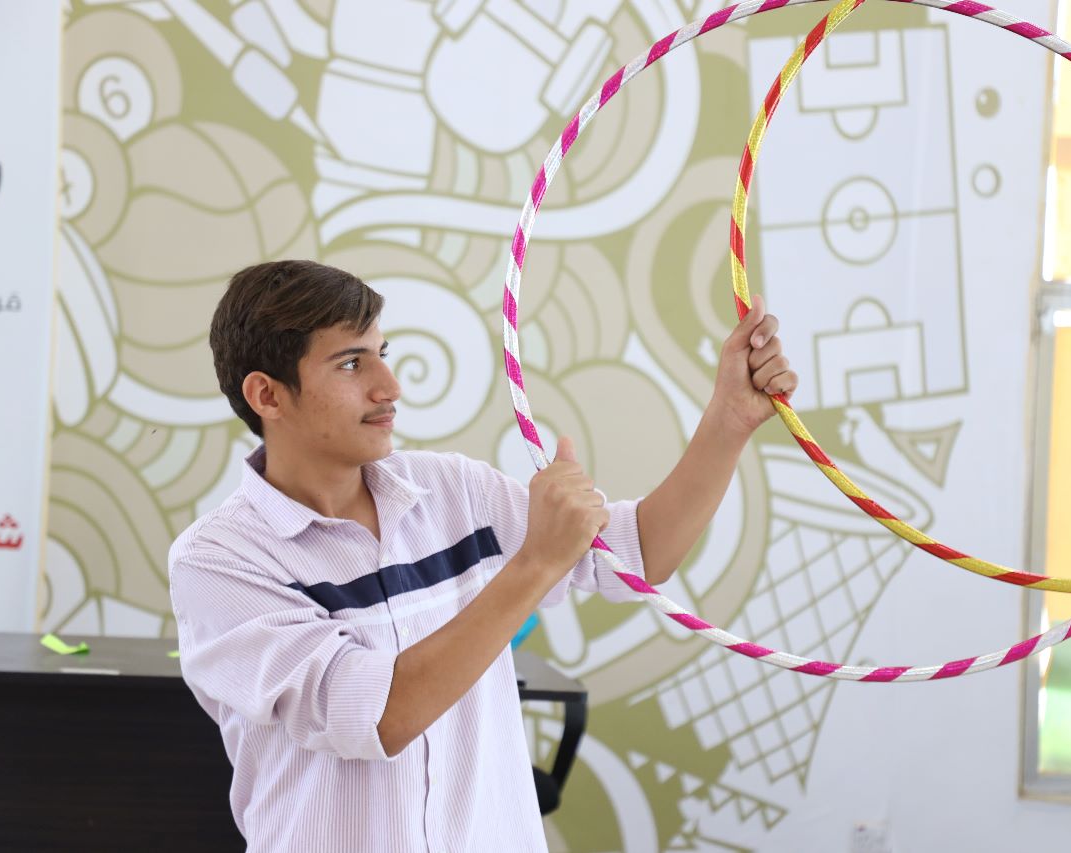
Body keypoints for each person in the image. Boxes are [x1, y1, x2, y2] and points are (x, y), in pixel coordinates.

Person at [169, 259, 798, 851]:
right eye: (352, 364)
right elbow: (376, 716)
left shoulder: (455, 490)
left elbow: (639, 554)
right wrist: (535, 565)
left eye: (382, 354)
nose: (390, 387)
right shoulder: (219, 562)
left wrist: (729, 420)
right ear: (267, 396)